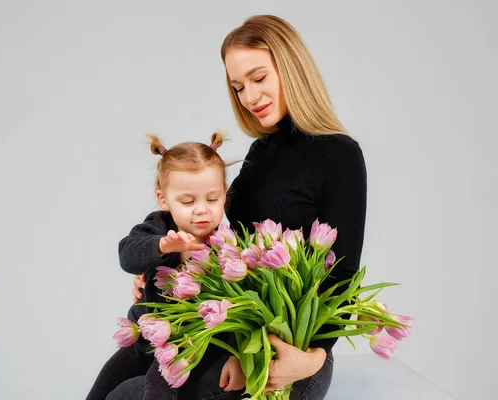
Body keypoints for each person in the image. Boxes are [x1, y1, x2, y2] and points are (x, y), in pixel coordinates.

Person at [130, 14, 367, 400]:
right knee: (124, 389)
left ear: (291, 69)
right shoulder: (261, 151)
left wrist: (314, 357)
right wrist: (161, 263)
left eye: (259, 78)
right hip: (237, 334)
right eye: (238, 87)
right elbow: (220, 235)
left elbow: (343, 273)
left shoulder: (338, 154)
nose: (250, 97)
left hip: (292, 350)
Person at [86, 133, 246, 400]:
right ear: (164, 199)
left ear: (225, 195)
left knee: (156, 391)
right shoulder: (159, 227)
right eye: (187, 201)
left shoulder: (228, 246)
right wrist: (162, 247)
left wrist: (236, 355)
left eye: (212, 198)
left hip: (185, 348)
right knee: (100, 392)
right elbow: (127, 255)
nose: (201, 210)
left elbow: (239, 312)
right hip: (141, 340)